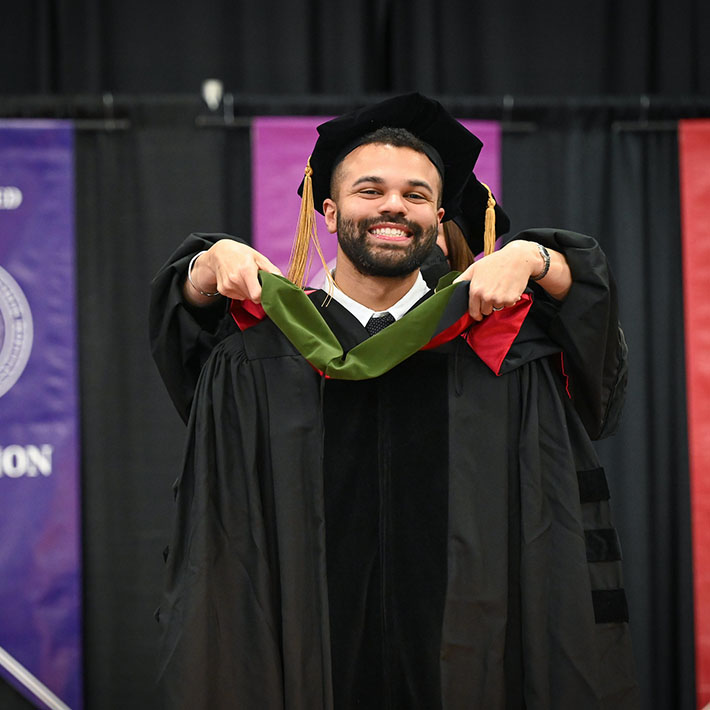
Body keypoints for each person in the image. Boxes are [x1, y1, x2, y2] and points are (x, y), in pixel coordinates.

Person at [150, 93, 637, 709]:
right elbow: (186, 355)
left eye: (415, 196)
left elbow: (604, 390)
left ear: (438, 219)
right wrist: (199, 267)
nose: (393, 207)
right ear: (328, 211)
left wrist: (539, 258)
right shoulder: (259, 355)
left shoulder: (499, 348)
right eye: (369, 190)